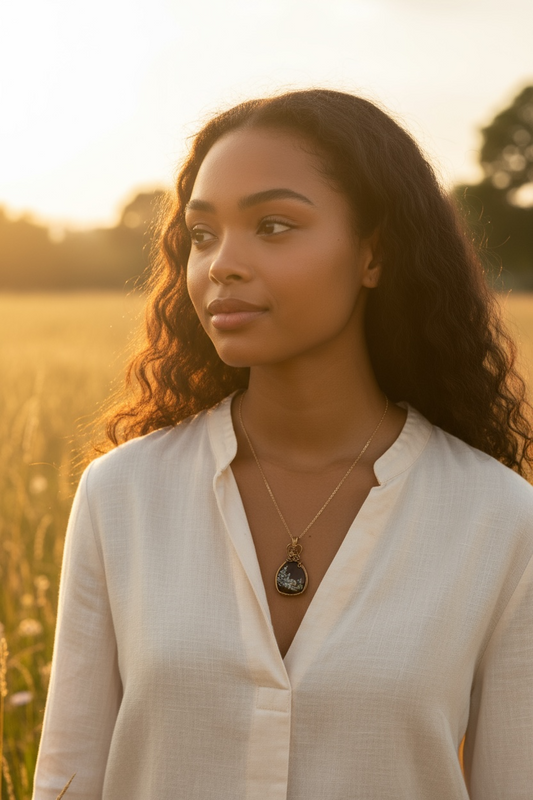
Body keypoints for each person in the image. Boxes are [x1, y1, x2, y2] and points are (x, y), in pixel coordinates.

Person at [32, 89, 533, 800]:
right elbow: (66, 780)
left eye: (272, 225)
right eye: (202, 235)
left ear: (373, 253)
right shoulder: (123, 495)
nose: (221, 265)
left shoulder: (498, 517)